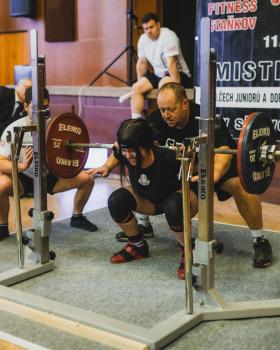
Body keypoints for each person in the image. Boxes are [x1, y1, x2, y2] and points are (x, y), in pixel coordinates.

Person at [91, 82, 272, 270]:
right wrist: (106, 165)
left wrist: (213, 176)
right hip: (184, 170)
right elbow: (129, 142)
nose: (165, 115)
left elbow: (224, 152)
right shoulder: (158, 118)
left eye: (170, 109)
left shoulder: (207, 119)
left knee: (239, 185)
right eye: (162, 110)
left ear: (185, 103)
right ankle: (143, 228)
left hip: (214, 167)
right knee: (148, 182)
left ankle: (259, 240)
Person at [0, 86, 97, 241]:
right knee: (1, 184)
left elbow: (71, 154)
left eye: (45, 108)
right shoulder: (13, 129)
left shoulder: (56, 127)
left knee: (87, 179)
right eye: (35, 109)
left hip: (49, 177)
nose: (40, 114)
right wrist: (21, 166)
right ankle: (2, 226)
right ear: (25, 107)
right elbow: (1, 162)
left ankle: (77, 217)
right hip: (22, 179)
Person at [106, 118, 196, 279]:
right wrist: (105, 167)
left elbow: (196, 168)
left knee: (173, 206)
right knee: (116, 201)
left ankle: (188, 251)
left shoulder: (169, 157)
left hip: (180, 201)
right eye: (125, 151)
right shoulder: (125, 152)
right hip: (148, 201)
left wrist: (189, 156)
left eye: (132, 151)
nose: (128, 156)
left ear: (146, 145)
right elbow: (117, 150)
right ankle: (137, 246)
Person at [131, 12, 191, 120]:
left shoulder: (169, 36)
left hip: (178, 73)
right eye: (146, 28)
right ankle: (136, 122)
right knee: (136, 87)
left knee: (163, 84)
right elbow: (142, 64)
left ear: (158, 25)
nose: (149, 31)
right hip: (158, 74)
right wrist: (141, 82)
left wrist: (176, 90)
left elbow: (171, 63)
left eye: (151, 27)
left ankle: (162, 121)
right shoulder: (143, 40)